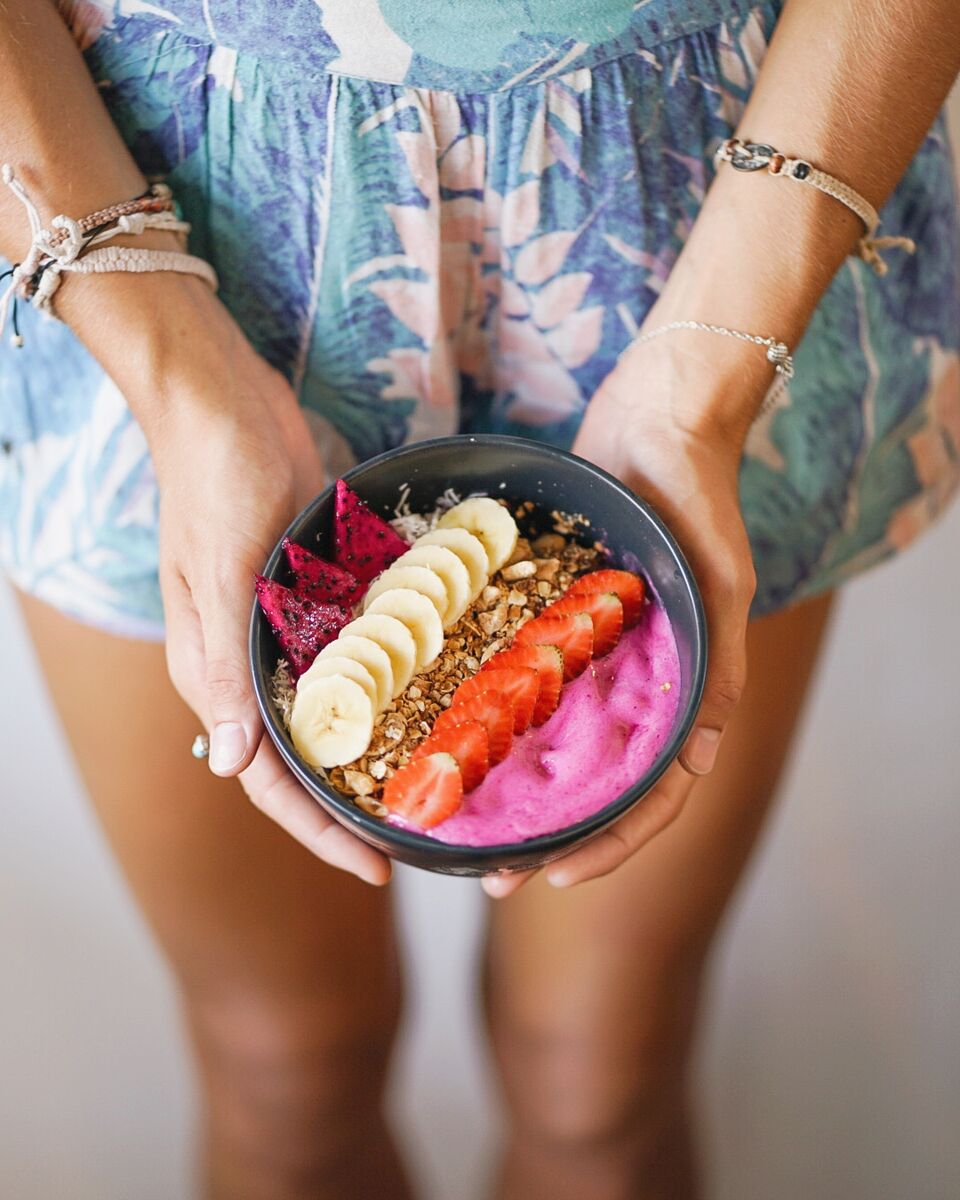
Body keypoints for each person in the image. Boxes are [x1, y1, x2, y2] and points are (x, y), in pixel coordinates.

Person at [2, 2, 957, 1197]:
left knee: (597, 1083)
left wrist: (708, 377)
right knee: (284, 1065)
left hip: (722, 192)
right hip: (146, 189)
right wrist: (176, 379)